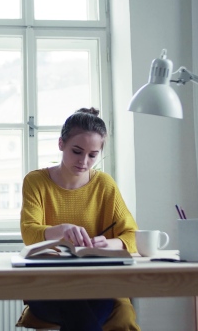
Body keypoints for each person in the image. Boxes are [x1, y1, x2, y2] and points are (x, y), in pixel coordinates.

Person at [20, 107, 140, 331]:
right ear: (61, 144)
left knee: (85, 305)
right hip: (46, 286)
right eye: (77, 151)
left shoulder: (104, 185)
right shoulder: (36, 181)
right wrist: (61, 230)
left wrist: (109, 243)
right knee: (79, 306)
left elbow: (131, 235)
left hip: (96, 283)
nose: (84, 161)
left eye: (93, 155)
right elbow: (29, 233)